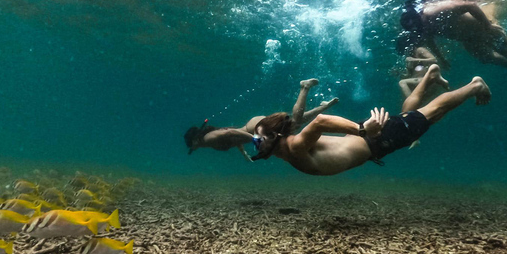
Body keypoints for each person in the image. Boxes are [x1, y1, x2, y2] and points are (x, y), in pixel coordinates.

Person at [251, 65, 490, 175]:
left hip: (376, 139)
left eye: (258, 139)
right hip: (373, 143)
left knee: (432, 112)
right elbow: (303, 120)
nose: (255, 142)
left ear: (274, 137)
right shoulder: (287, 146)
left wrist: (363, 130)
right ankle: (430, 75)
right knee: (415, 118)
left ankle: (474, 85)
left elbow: (321, 121)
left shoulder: (295, 146)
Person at [184, 79, 338, 160]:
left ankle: (304, 87)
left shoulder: (207, 140)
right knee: (292, 124)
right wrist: (244, 153)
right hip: (253, 126)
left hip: (254, 128)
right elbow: (233, 138)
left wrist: (255, 139)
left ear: (194, 141)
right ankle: (323, 107)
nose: (194, 149)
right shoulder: (208, 140)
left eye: (192, 146)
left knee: (293, 125)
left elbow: (230, 132)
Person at [398, 0, 507, 73]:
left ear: (420, 17)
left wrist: (488, 25)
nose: (422, 29)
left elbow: (470, 4)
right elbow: (430, 40)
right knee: (485, 58)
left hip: (482, 27)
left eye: (421, 26)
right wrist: (441, 58)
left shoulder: (434, 11)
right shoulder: (421, 27)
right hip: (468, 39)